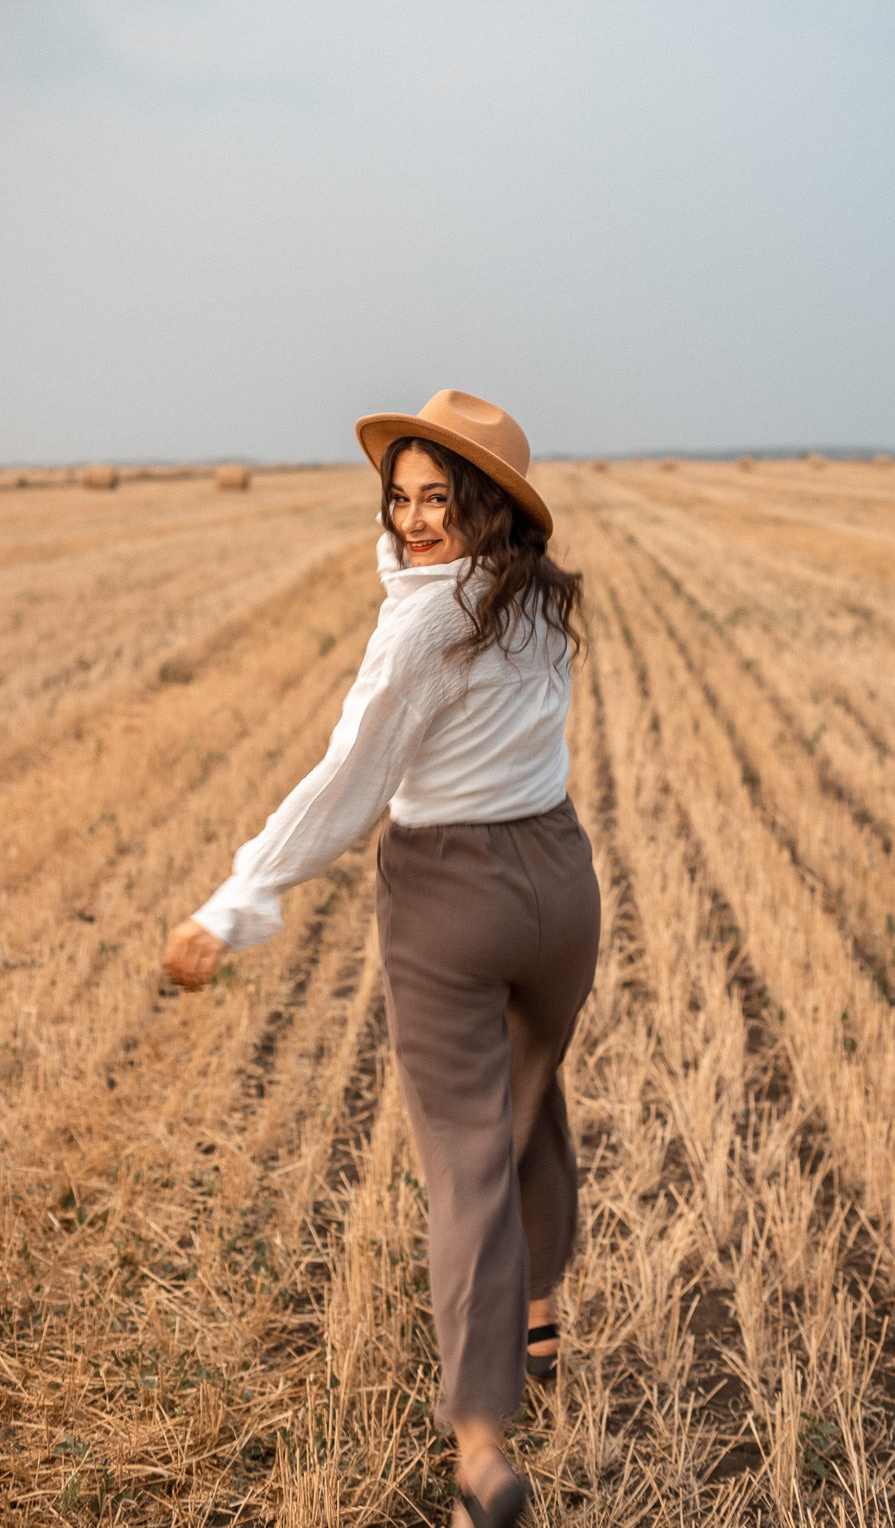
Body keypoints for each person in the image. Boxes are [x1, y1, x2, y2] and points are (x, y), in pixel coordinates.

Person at [164, 389, 601, 1528]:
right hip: (561, 885)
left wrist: (236, 901)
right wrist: (427, 530)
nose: (411, 521)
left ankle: (480, 1449)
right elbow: (424, 572)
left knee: (464, 1158)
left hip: (451, 896)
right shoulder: (539, 598)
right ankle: (540, 1308)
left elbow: (344, 787)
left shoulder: (418, 625)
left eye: (437, 499)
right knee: (529, 1096)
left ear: (483, 505)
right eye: (399, 498)